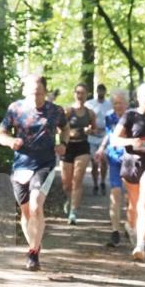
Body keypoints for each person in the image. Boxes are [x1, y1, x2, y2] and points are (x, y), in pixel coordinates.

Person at [0, 74, 68, 271]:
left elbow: (65, 127)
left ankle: (33, 253)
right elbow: (0, 134)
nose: (35, 97)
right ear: (24, 92)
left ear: (45, 92)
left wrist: (63, 143)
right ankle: (34, 244)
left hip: (44, 163)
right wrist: (11, 142)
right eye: (32, 93)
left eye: (39, 93)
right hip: (21, 165)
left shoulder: (55, 110)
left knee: (36, 206)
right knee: (26, 211)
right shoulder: (15, 109)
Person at [110, 83, 145, 261]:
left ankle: (140, 246)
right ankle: (131, 228)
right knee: (134, 205)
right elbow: (115, 139)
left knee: (144, 205)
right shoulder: (130, 116)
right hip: (132, 164)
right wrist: (131, 142)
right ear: (138, 97)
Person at [95, 89, 130, 247]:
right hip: (114, 158)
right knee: (115, 194)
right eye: (115, 103)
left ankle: (131, 225)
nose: (118, 106)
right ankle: (115, 231)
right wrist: (102, 148)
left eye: (120, 103)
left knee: (130, 196)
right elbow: (109, 135)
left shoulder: (134, 117)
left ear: (127, 103)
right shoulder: (110, 116)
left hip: (131, 160)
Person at [60, 83, 95, 225]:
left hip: (82, 146)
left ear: (87, 95)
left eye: (83, 93)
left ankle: (73, 211)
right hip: (68, 146)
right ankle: (70, 199)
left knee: (77, 180)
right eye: (78, 93)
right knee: (66, 184)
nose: (80, 96)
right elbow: (58, 128)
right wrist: (68, 132)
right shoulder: (68, 111)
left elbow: (94, 128)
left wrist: (89, 130)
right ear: (74, 94)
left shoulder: (90, 113)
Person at [87, 84, 113, 195]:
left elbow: (113, 120)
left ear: (105, 91)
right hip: (92, 136)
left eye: (103, 90)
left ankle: (102, 181)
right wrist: (91, 129)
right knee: (94, 162)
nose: (101, 92)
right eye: (99, 90)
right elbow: (85, 119)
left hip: (105, 136)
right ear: (96, 91)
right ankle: (95, 184)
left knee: (103, 161)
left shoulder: (110, 104)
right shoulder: (90, 104)